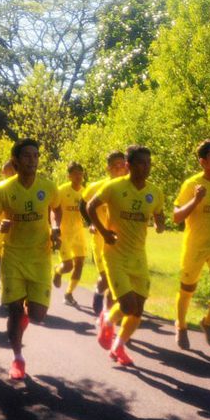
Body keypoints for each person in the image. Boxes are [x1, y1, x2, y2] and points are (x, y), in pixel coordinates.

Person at [0, 139, 61, 380]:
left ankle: (26, 313)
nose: (33, 160)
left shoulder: (48, 186)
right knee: (15, 312)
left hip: (40, 256)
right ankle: (18, 357)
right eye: (27, 156)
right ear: (15, 161)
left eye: (36, 155)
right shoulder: (3, 189)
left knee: (37, 315)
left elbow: (56, 208)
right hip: (14, 256)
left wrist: (56, 228)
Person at [88, 145, 165, 366]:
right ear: (129, 166)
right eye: (141, 163)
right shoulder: (114, 187)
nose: (146, 167)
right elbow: (91, 207)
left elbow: (159, 214)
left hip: (139, 256)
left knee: (138, 310)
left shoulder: (155, 192)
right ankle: (108, 319)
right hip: (115, 254)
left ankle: (118, 346)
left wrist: (160, 223)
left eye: (149, 163)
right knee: (128, 305)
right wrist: (103, 232)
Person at [172, 138, 210, 350]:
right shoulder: (191, 185)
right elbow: (176, 217)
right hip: (195, 245)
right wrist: (196, 200)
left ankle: (207, 322)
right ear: (202, 162)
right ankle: (180, 325)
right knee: (187, 290)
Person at [80, 151, 128, 315]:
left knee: (119, 278)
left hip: (122, 241)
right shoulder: (96, 187)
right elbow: (83, 205)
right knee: (106, 276)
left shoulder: (130, 187)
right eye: (115, 166)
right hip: (101, 238)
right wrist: (91, 223)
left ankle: (111, 312)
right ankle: (98, 297)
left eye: (122, 165)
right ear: (108, 168)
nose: (119, 169)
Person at [52, 162, 86, 307]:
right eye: (75, 173)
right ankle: (58, 271)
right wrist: (54, 228)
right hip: (64, 233)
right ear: (69, 176)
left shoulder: (85, 192)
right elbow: (53, 209)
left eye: (81, 173)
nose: (79, 176)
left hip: (78, 232)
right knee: (68, 266)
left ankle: (69, 294)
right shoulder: (61, 190)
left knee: (80, 263)